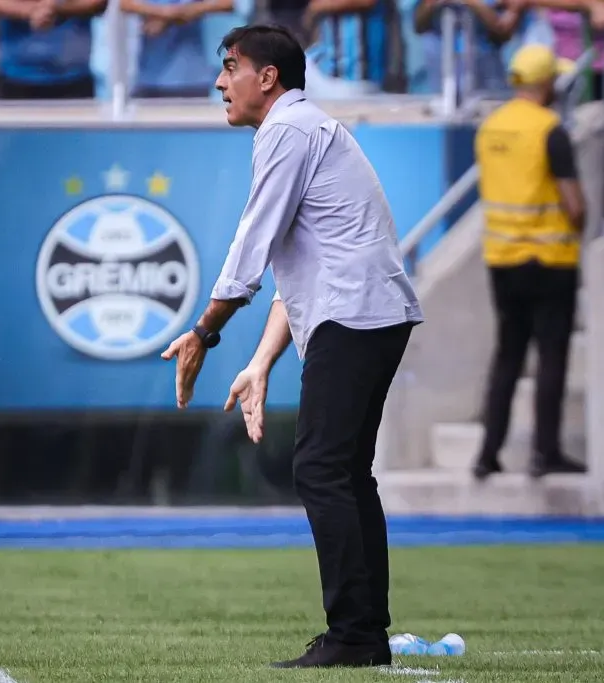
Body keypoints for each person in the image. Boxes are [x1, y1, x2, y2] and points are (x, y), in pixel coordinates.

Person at [160, 24, 424, 669]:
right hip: (367, 312)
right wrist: (259, 361)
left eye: (230, 67)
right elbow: (296, 267)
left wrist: (205, 330)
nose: (220, 83)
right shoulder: (305, 130)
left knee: (321, 469)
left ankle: (356, 635)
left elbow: (252, 245)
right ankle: (364, 632)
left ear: (268, 77)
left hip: (356, 315)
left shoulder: (287, 131)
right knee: (344, 472)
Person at [472, 43, 587, 480]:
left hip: (502, 259)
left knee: (508, 356)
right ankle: (545, 452)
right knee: (551, 356)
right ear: (546, 82)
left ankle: (487, 454)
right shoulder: (551, 130)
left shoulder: (490, 129)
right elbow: (574, 205)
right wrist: (580, 226)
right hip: (551, 259)